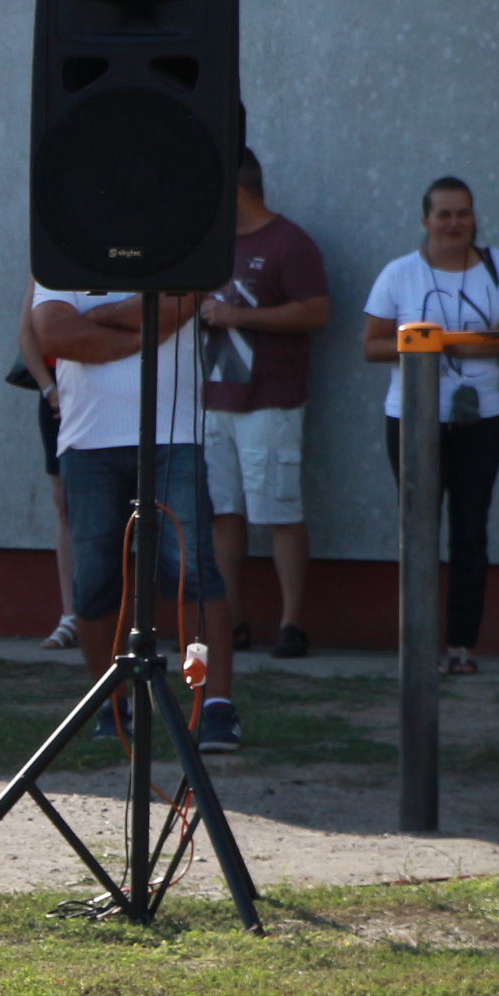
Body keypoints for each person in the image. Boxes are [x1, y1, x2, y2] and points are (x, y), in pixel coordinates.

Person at [31, 270, 220, 740]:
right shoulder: (66, 251)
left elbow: (175, 309)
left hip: (174, 436)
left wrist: (95, 317)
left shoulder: (175, 243)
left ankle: (212, 704)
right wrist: (141, 331)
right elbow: (54, 333)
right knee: (95, 581)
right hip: (87, 441)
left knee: (193, 575)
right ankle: (114, 706)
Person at [362, 176, 499, 677]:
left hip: (482, 419)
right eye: (444, 214)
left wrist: (462, 346)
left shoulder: (498, 267)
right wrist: (422, 348)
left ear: (474, 218)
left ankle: (462, 646)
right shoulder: (399, 273)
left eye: (463, 213)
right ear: (425, 220)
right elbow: (371, 345)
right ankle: (418, 645)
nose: (454, 223)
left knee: (470, 533)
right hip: (412, 419)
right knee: (417, 532)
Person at [198, 149, 334, 739]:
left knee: (278, 508)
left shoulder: (289, 242)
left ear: (237, 190)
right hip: (212, 398)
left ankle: (291, 622)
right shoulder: (207, 247)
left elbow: (317, 311)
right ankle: (231, 618)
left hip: (270, 400)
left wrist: (239, 318)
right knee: (222, 512)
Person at [14, 293, 79, 649]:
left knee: (122, 499)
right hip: (58, 389)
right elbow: (26, 334)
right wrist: (49, 389)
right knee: (64, 502)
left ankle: (117, 613)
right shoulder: (46, 268)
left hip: (108, 384)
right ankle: (71, 615)